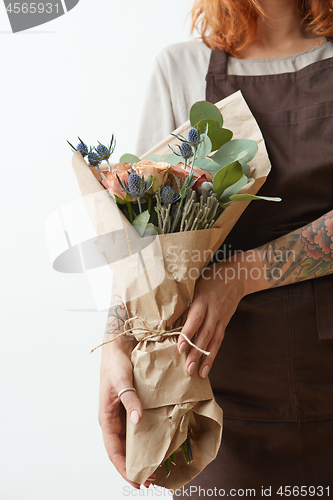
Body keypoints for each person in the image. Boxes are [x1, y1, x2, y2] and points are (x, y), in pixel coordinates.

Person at [98, 0, 333, 496]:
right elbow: (142, 235)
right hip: (210, 397)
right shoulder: (180, 69)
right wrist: (115, 343)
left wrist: (242, 274)